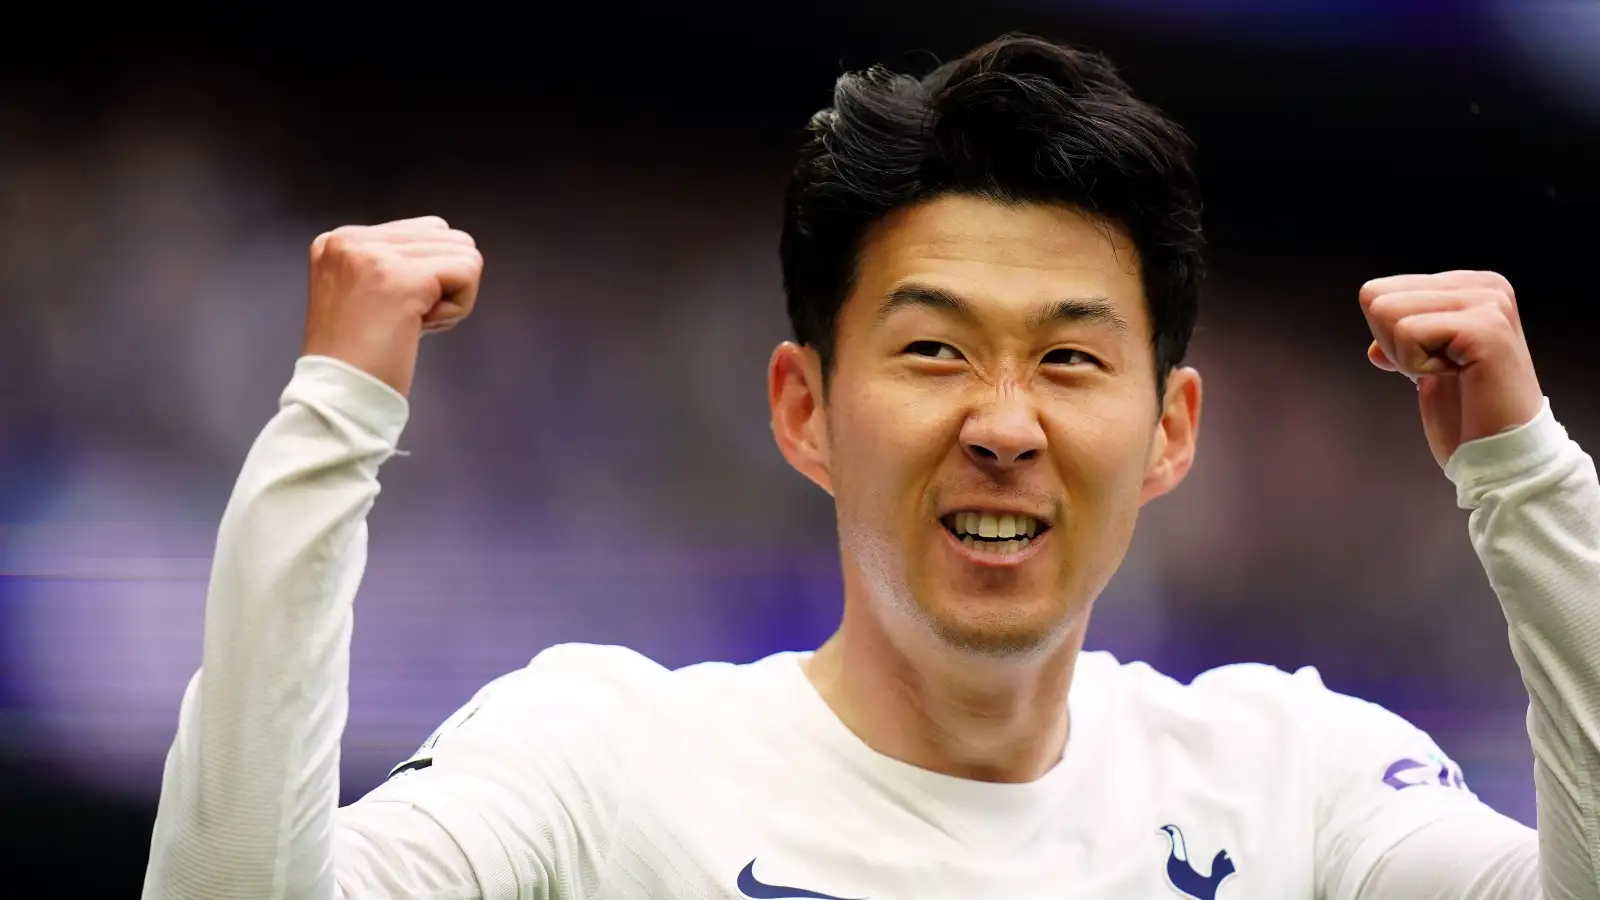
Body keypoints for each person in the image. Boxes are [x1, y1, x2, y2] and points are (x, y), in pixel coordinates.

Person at [142, 34, 1598, 900]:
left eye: (1073, 359)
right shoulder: (601, 761)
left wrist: (1527, 481)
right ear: (803, 409)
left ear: (1172, 432)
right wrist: (333, 411)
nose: (1006, 423)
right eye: (935, 351)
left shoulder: (1299, 787)